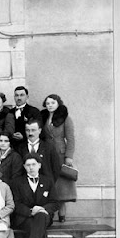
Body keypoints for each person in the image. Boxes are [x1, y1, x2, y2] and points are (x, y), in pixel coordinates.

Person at [11, 154, 59, 238]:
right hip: (25, 218)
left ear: (39, 165)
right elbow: (15, 203)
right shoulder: (17, 182)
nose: (31, 167)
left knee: (41, 218)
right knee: (41, 232)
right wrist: (31, 211)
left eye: (33, 164)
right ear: (24, 167)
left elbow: (54, 202)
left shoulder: (48, 181)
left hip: (44, 216)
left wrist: (42, 209)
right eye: (28, 165)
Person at [41, 94, 76, 222]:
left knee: (61, 186)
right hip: (46, 154)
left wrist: (69, 156)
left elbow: (71, 139)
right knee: (49, 182)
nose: (50, 105)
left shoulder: (65, 118)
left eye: (53, 103)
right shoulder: (43, 117)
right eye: (48, 103)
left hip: (60, 154)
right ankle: (48, 213)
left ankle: (62, 215)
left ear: (58, 104)